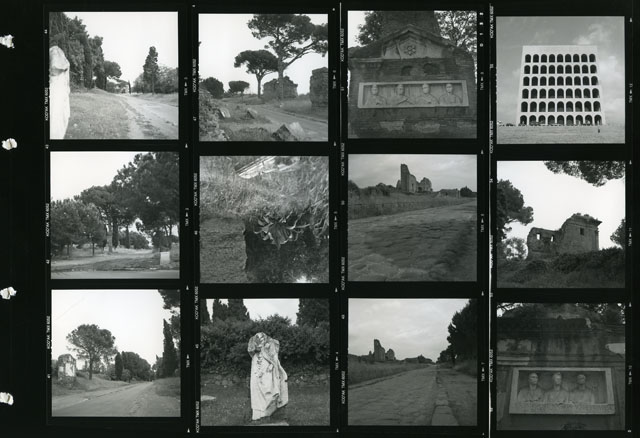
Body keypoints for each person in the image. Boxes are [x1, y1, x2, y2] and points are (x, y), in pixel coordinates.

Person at [247, 332, 289, 420]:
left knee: (269, 388)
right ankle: (259, 414)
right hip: (257, 370)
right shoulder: (255, 355)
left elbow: (274, 360)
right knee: (256, 389)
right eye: (258, 339)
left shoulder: (270, 346)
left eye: (262, 338)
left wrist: (271, 366)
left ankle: (268, 411)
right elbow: (251, 350)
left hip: (267, 371)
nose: (260, 340)